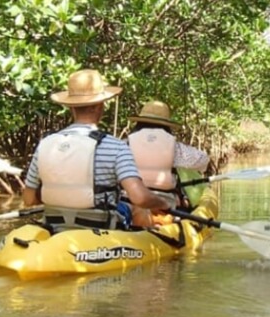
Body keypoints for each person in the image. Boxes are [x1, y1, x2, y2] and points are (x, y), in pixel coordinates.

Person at [23, 69, 168, 230]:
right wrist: (162, 203)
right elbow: (140, 197)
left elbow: (29, 200)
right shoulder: (116, 146)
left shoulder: (46, 144)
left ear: (71, 108)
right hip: (99, 227)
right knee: (138, 206)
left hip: (54, 224)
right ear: (100, 106)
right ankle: (149, 236)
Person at [124, 101, 211, 227]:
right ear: (166, 126)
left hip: (130, 200)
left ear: (138, 123)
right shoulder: (175, 148)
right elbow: (203, 161)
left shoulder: (125, 144)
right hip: (164, 203)